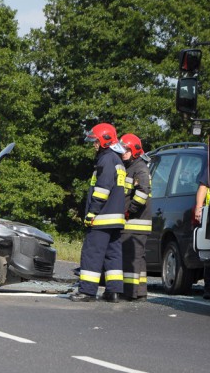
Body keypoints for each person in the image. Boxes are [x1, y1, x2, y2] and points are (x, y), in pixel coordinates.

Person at [69, 123, 127, 303]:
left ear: (104, 141)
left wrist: (92, 212)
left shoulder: (106, 159)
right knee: (113, 255)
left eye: (95, 141)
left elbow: (102, 189)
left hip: (102, 217)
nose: (93, 145)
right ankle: (114, 291)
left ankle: (87, 291)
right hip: (115, 218)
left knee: (92, 253)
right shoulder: (118, 160)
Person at [119, 133, 151, 302]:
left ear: (135, 151)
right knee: (139, 258)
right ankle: (140, 292)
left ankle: (130, 292)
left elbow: (142, 193)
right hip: (135, 221)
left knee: (130, 257)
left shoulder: (139, 168)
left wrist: (129, 210)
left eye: (126, 150)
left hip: (136, 221)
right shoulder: (131, 167)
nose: (123, 153)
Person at [195, 163, 210, 300]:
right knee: (209, 254)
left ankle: (209, 290)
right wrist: (200, 207)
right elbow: (204, 186)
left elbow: (203, 186)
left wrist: (199, 208)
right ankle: (209, 289)